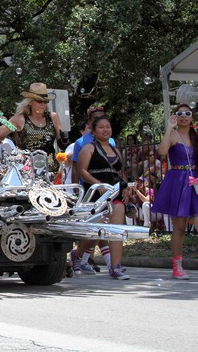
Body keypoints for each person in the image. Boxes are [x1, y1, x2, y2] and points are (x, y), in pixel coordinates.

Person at [152, 105, 198, 281]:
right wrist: (169, 127)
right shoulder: (173, 135)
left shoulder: (196, 137)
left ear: (192, 117)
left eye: (187, 113)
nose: (183, 116)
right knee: (180, 227)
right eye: (180, 113)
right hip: (178, 181)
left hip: (196, 181)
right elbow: (161, 152)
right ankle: (177, 267)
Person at [76, 116, 130, 280]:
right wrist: (98, 184)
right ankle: (76, 255)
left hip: (115, 192)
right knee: (95, 231)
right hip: (97, 194)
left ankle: (115, 267)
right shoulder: (89, 148)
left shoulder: (115, 150)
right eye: (101, 127)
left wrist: (125, 188)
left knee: (116, 230)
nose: (105, 130)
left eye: (108, 127)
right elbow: (82, 170)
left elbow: (121, 173)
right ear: (94, 130)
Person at [8, 83, 69, 168]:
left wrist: (65, 139)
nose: (43, 105)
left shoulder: (53, 117)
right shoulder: (20, 119)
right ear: (30, 102)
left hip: (51, 169)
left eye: (45, 101)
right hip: (27, 171)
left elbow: (62, 145)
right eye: (40, 101)